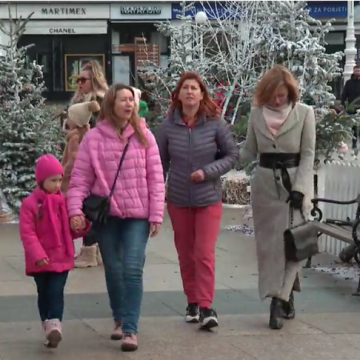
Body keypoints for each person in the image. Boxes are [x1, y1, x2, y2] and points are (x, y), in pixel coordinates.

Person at [66, 84, 165, 352]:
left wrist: (156, 214)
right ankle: (119, 318)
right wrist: (74, 210)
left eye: (131, 100)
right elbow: (79, 179)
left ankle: (130, 329)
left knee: (132, 269)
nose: (129, 104)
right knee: (113, 269)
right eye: (123, 99)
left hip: (138, 215)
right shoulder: (94, 138)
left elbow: (155, 178)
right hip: (106, 216)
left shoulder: (145, 135)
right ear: (111, 103)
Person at [156, 71, 238, 329]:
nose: (190, 92)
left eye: (194, 88)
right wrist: (159, 193)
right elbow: (159, 163)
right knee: (186, 254)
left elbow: (232, 155)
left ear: (202, 94)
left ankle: (205, 306)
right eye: (185, 88)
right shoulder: (168, 126)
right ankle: (191, 300)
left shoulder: (215, 123)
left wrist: (207, 172)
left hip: (207, 198)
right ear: (178, 95)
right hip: (179, 200)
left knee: (203, 253)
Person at [240, 65, 316, 330]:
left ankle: (277, 300)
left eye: (282, 95)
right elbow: (249, 150)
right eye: (273, 95)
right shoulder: (256, 114)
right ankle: (288, 294)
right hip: (264, 188)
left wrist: (302, 188)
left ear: (290, 93)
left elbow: (308, 154)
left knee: (293, 244)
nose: (277, 100)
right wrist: (218, 157)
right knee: (270, 247)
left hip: (294, 185)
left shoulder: (305, 113)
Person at [19, 154, 89, 348]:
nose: (58, 184)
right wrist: (38, 254)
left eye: (60, 180)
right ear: (41, 180)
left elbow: (71, 230)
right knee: (44, 293)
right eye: (53, 180)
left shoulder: (63, 202)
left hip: (61, 257)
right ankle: (47, 325)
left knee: (56, 292)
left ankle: (55, 326)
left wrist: (81, 225)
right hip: (40, 260)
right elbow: (28, 233)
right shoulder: (30, 204)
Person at [64, 60, 109, 268]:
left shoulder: (101, 102)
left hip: (96, 160)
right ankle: (95, 248)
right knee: (87, 202)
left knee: (90, 204)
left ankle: (90, 249)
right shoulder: (80, 100)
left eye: (83, 79)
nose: (79, 83)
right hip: (81, 156)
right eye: (77, 79)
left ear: (95, 80)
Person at [61, 101, 100, 193]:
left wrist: (63, 173)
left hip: (70, 180)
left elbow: (73, 159)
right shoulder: (86, 134)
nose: (68, 120)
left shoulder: (74, 138)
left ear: (76, 121)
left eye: (69, 117)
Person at [341, 65, 360, 155]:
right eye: (356, 71)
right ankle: (354, 143)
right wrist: (343, 103)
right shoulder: (349, 83)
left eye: (358, 71)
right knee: (353, 127)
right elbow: (344, 93)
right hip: (352, 108)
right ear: (353, 71)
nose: (357, 72)